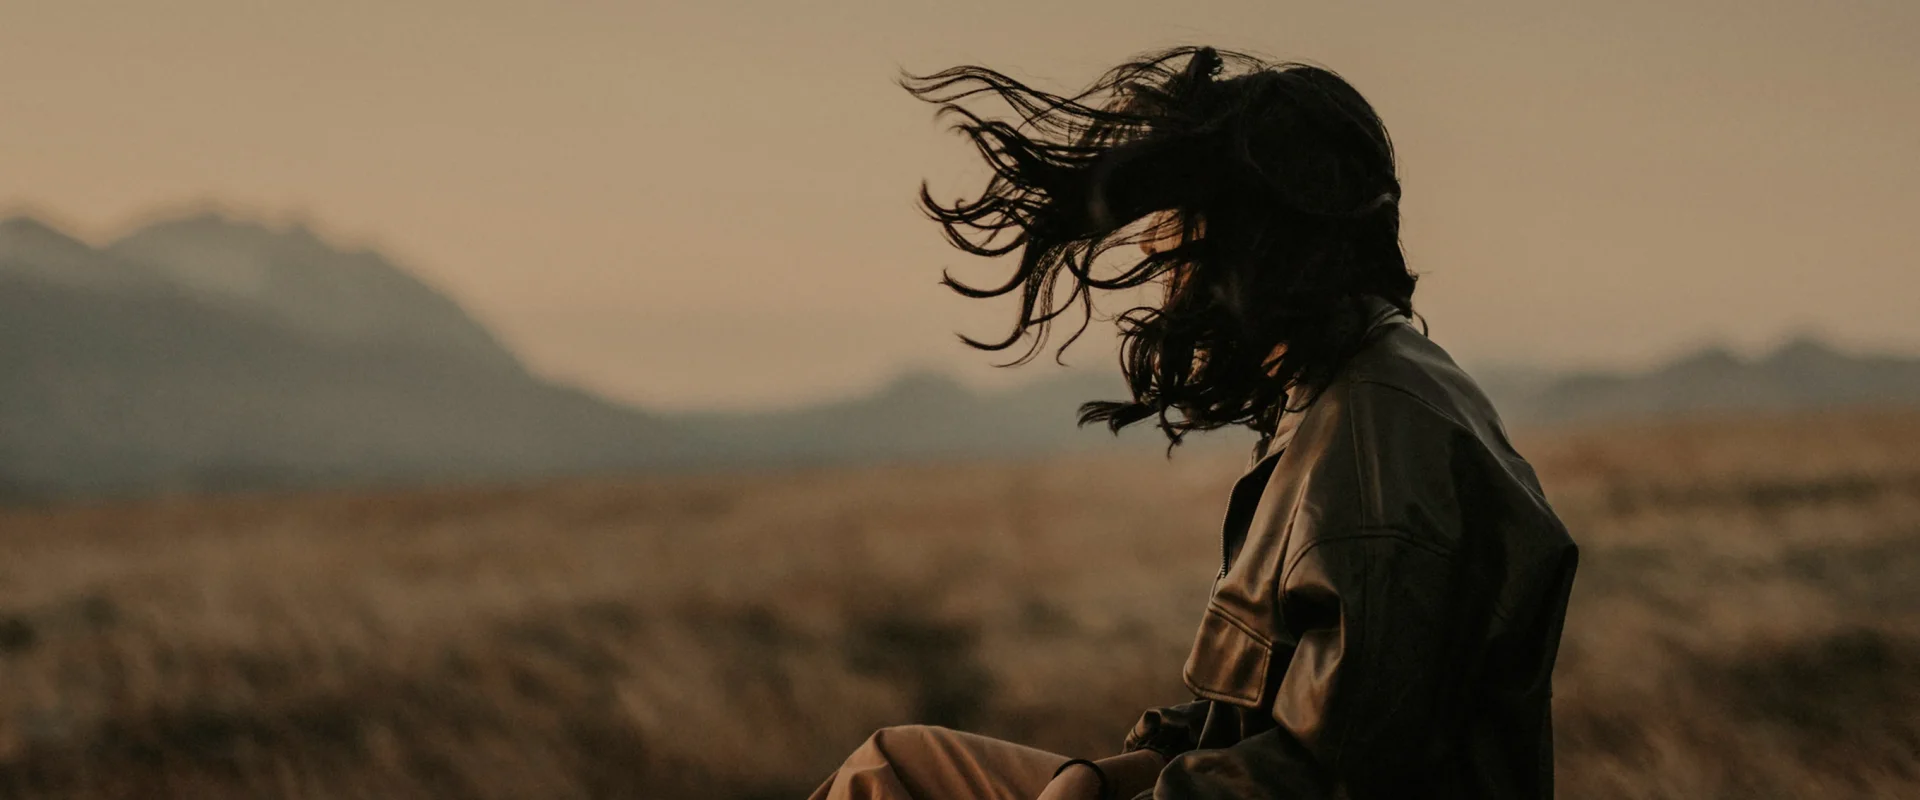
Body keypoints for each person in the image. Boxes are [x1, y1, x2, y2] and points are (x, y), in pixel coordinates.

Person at [809, 46, 1579, 800]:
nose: (1166, 273)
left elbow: (1331, 780)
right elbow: (1267, 727)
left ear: (1255, 242)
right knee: (895, 767)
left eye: (1185, 241)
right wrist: (1100, 778)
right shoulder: (1351, 387)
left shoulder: (1377, 448)